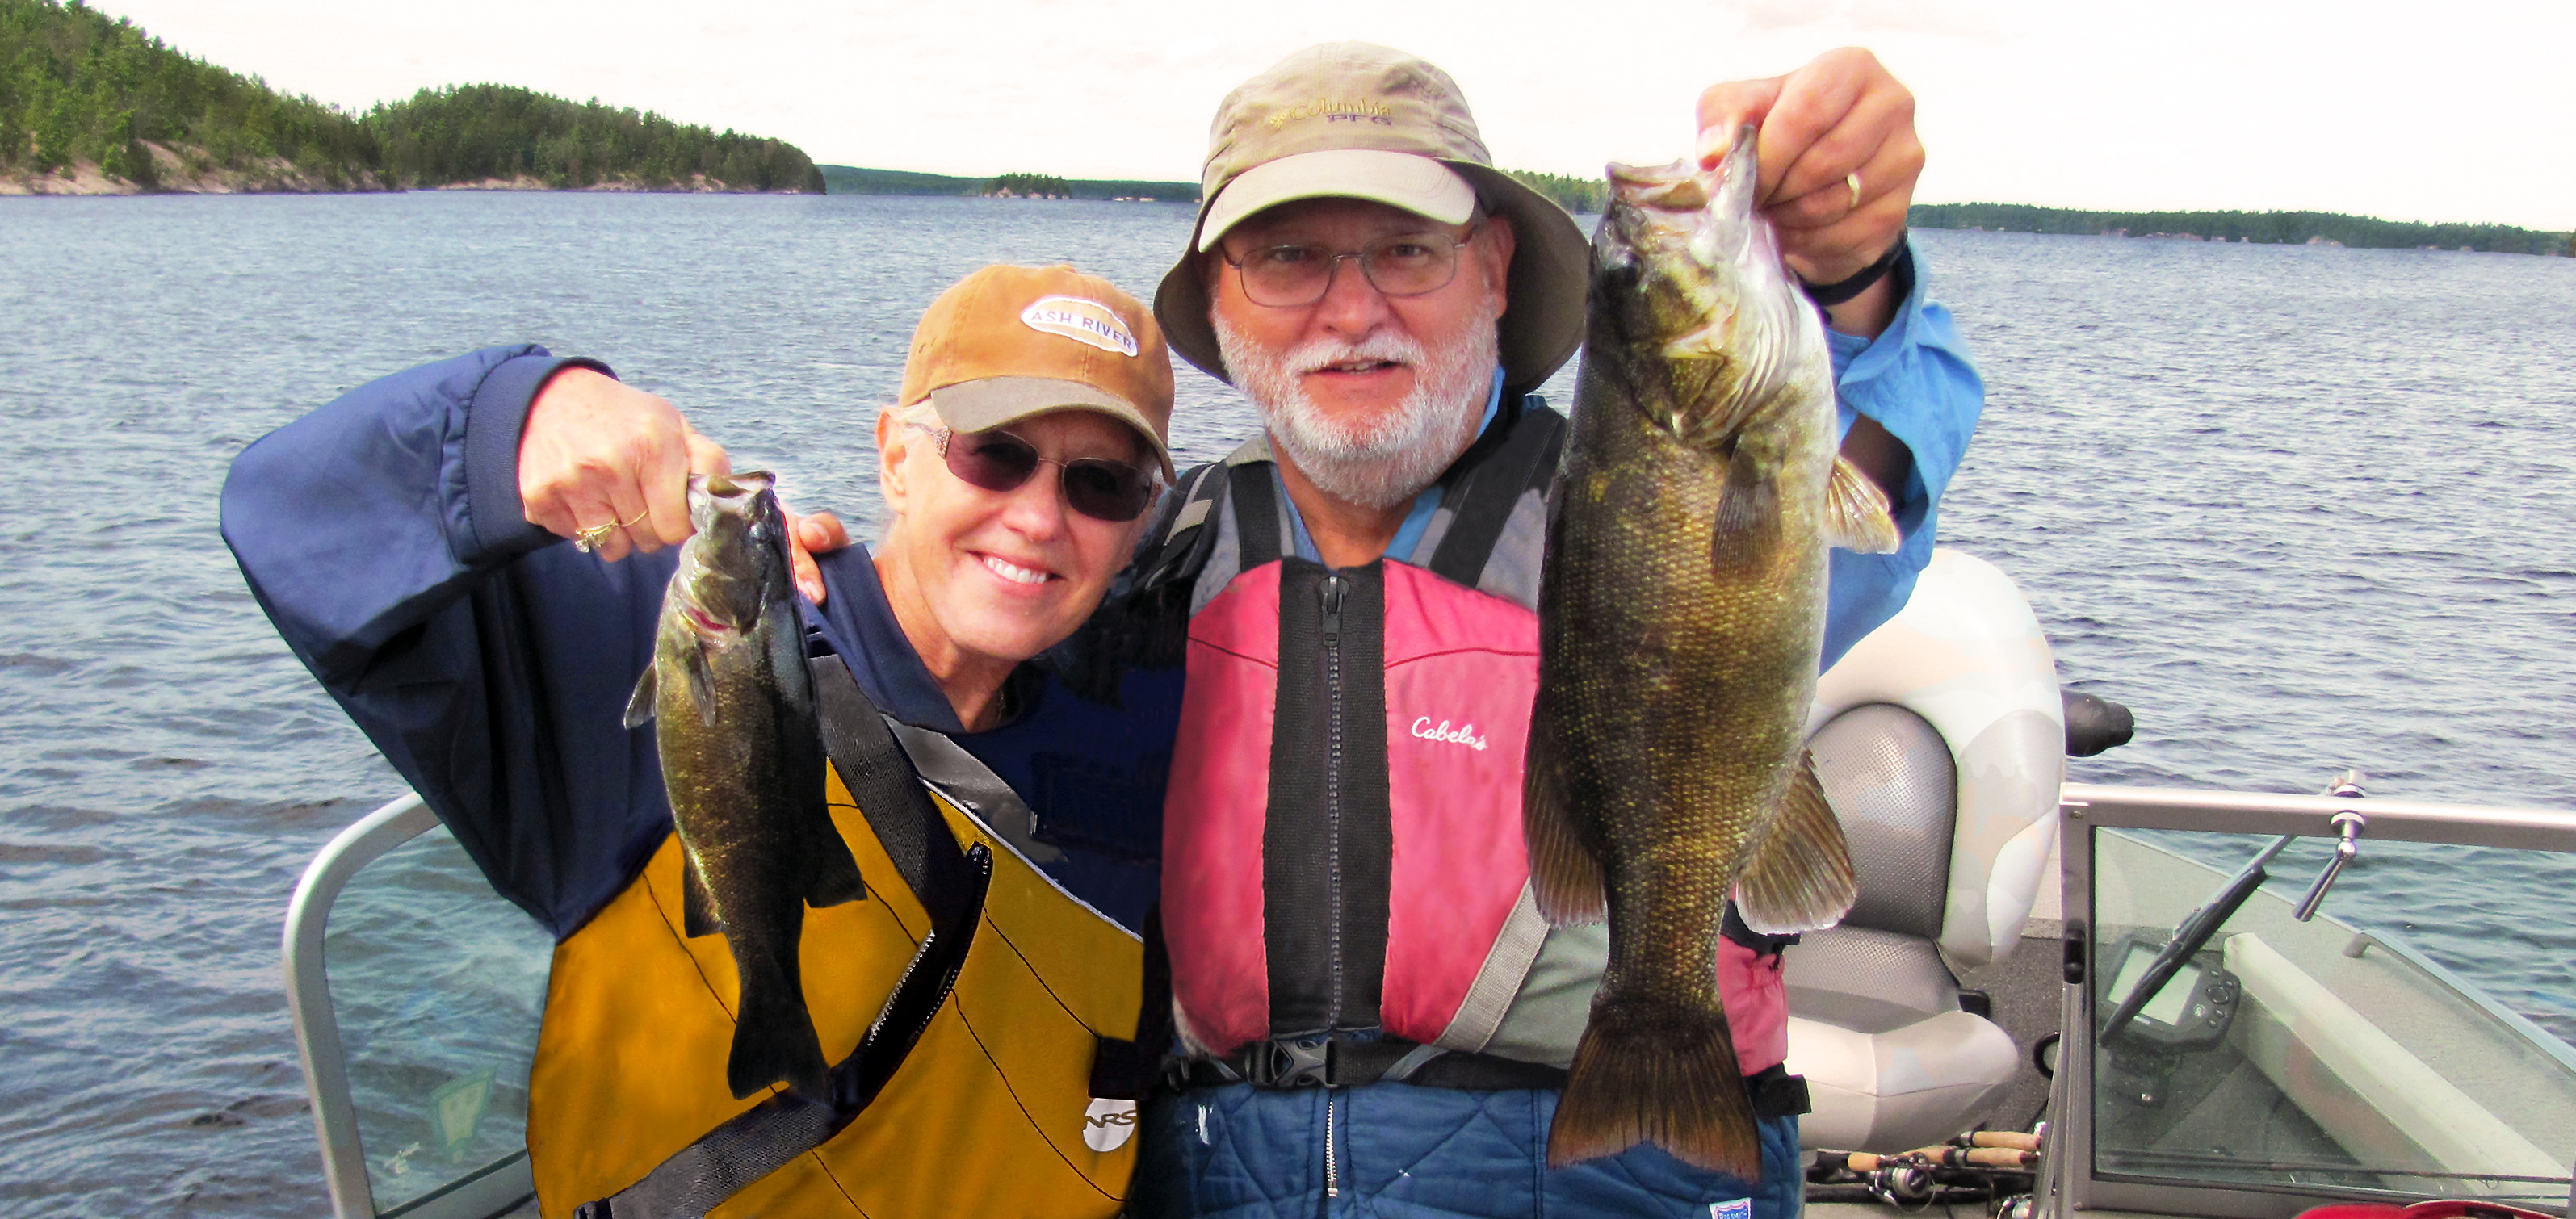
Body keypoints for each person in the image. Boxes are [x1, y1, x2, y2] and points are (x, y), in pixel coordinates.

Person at [1110, 41, 1987, 1219]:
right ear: (1220, 300)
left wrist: (1854, 275)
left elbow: (1865, 455)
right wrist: (803, 591)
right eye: (1288, 258)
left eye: (1408, 250)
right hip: (1217, 1170)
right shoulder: (1150, 550)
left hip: (1605, 1173)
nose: (1354, 307)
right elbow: (945, 671)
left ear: (1496, 269)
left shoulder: (1637, 493)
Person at [221, 264, 1187, 1217]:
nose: (1037, 516)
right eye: (995, 452)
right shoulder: (648, 641)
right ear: (895, 456)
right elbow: (288, 518)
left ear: (1140, 521)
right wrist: (515, 414)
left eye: (1102, 483)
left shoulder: (1145, 721)